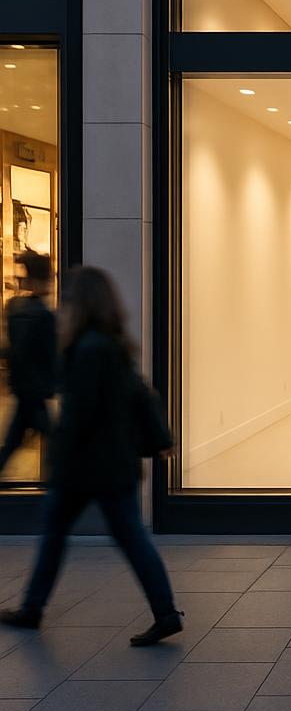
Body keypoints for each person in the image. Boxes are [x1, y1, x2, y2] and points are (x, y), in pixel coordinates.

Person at [0, 266, 183, 646]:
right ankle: (164, 613)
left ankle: (33, 609)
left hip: (88, 466)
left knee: (58, 532)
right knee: (126, 537)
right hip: (114, 464)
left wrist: (57, 459)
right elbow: (142, 395)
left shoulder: (88, 348)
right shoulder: (111, 343)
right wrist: (159, 438)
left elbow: (79, 414)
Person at [0, 251, 58, 477]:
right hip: (34, 390)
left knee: (14, 442)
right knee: (55, 442)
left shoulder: (17, 309)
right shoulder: (41, 315)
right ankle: (59, 489)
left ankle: (57, 488)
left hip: (27, 389)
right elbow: (40, 354)